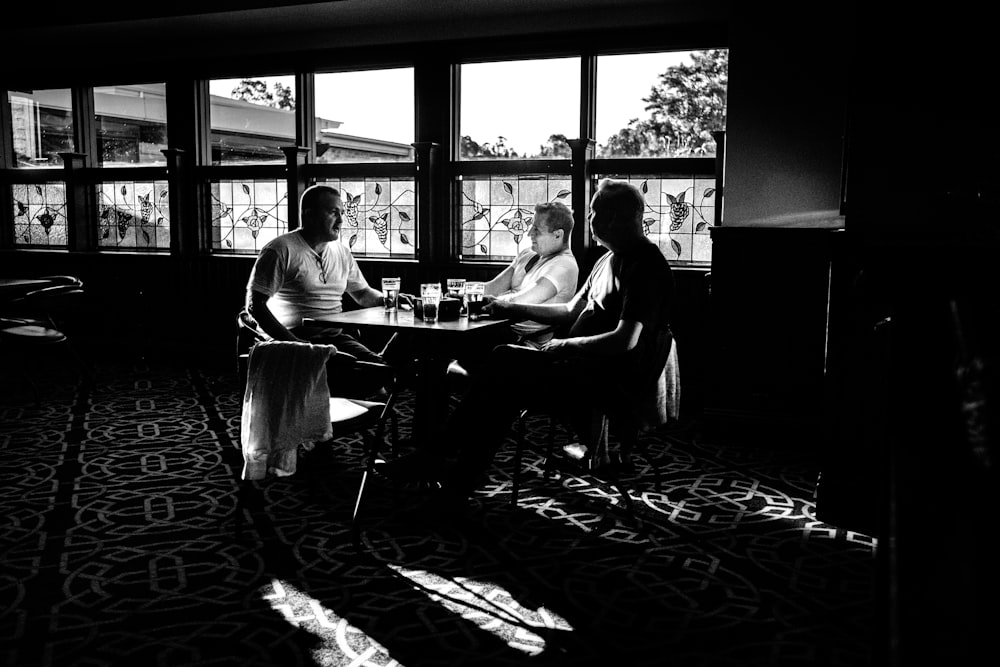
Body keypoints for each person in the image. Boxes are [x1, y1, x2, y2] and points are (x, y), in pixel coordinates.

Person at [377, 178, 675, 506]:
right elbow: (567, 311)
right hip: (576, 369)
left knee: (503, 364)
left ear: (615, 217)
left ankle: (438, 461)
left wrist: (567, 346)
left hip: (602, 382)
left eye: (594, 212)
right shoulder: (608, 260)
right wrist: (510, 306)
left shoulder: (646, 266)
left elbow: (625, 341)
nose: (589, 220)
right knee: (500, 386)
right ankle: (453, 482)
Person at [245, 183, 403, 397]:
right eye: (333, 212)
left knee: (384, 368)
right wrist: (298, 344)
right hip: (292, 339)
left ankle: (357, 385)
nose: (340, 220)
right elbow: (255, 306)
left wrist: (391, 300)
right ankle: (336, 398)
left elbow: (363, 293)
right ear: (309, 215)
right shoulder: (280, 249)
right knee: (373, 374)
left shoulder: (341, 251)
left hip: (333, 337)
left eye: (342, 213)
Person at [482, 201, 578, 348]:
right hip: (495, 327)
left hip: (523, 342)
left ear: (558, 235)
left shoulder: (564, 266)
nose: (528, 233)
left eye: (536, 230)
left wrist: (478, 302)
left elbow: (519, 302)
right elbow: (491, 288)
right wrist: (457, 295)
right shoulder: (528, 253)